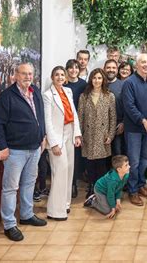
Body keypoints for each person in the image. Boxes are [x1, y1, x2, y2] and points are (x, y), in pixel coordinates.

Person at [0, 62, 47, 242]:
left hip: (35, 148)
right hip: (15, 151)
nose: (28, 77)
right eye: (24, 74)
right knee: (10, 189)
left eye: (30, 74)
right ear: (15, 75)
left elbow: (40, 116)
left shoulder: (35, 91)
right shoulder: (6, 97)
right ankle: (9, 224)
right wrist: (3, 147)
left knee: (29, 183)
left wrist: (42, 135)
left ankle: (27, 214)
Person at [43, 66, 82, 221]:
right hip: (57, 137)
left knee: (69, 170)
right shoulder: (47, 96)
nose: (60, 77)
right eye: (57, 75)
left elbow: (74, 114)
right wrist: (53, 143)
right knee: (60, 170)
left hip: (69, 132)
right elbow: (48, 121)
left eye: (62, 75)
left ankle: (65, 204)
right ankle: (55, 210)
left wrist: (77, 134)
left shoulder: (68, 91)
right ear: (52, 77)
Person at [122, 53, 147, 206]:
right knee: (134, 162)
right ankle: (133, 190)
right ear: (137, 64)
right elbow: (129, 107)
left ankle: (141, 184)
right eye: (143, 62)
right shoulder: (129, 82)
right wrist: (144, 122)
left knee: (144, 159)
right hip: (134, 129)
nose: (146, 65)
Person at [78, 68, 117, 197]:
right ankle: (91, 187)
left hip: (103, 135)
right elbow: (80, 117)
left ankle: (101, 189)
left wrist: (110, 135)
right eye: (94, 78)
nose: (97, 80)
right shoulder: (84, 96)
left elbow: (113, 117)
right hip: (88, 135)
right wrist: (80, 134)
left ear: (103, 80)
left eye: (99, 78)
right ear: (91, 79)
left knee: (101, 165)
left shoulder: (109, 96)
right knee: (89, 164)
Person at [64, 59, 87, 198]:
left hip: (79, 124)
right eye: (71, 68)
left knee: (77, 156)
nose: (74, 70)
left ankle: (74, 183)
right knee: (67, 155)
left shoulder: (83, 84)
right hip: (66, 124)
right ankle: (69, 183)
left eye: (76, 68)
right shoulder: (63, 84)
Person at [104, 59, 125, 156]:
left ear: (117, 70)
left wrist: (123, 123)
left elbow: (128, 106)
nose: (111, 70)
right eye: (108, 67)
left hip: (118, 126)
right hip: (102, 127)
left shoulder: (123, 85)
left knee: (118, 154)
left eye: (113, 68)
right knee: (104, 156)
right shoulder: (99, 83)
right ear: (104, 69)